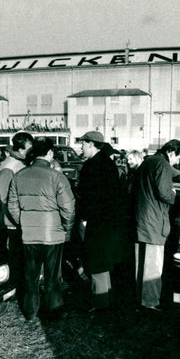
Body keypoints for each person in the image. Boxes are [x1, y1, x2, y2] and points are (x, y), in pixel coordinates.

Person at [7, 138, 75, 320]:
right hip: (53, 234)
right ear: (50, 153)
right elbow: (68, 208)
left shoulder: (19, 175)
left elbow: (12, 205)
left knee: (31, 275)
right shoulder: (57, 177)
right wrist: (66, 227)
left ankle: (30, 311)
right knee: (52, 277)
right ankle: (54, 311)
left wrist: (23, 222)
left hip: (29, 234)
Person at [134, 139, 180, 311]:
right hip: (154, 222)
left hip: (141, 218)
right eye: (178, 158)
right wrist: (175, 194)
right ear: (172, 152)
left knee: (140, 263)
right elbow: (164, 193)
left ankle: (139, 298)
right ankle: (150, 302)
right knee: (153, 265)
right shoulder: (162, 164)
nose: (177, 162)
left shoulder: (147, 161)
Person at [76, 130, 124, 311]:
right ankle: (106, 296)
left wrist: (84, 218)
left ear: (90, 144)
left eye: (82, 144)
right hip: (109, 222)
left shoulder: (92, 166)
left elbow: (89, 197)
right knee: (103, 260)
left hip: (96, 221)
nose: (81, 147)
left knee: (96, 262)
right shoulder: (108, 164)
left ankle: (100, 301)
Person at [0, 132, 33, 281]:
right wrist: (17, 220)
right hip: (12, 222)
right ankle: (15, 282)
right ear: (21, 149)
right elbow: (5, 198)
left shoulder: (22, 162)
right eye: (30, 148)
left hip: (20, 218)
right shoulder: (8, 167)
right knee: (15, 255)